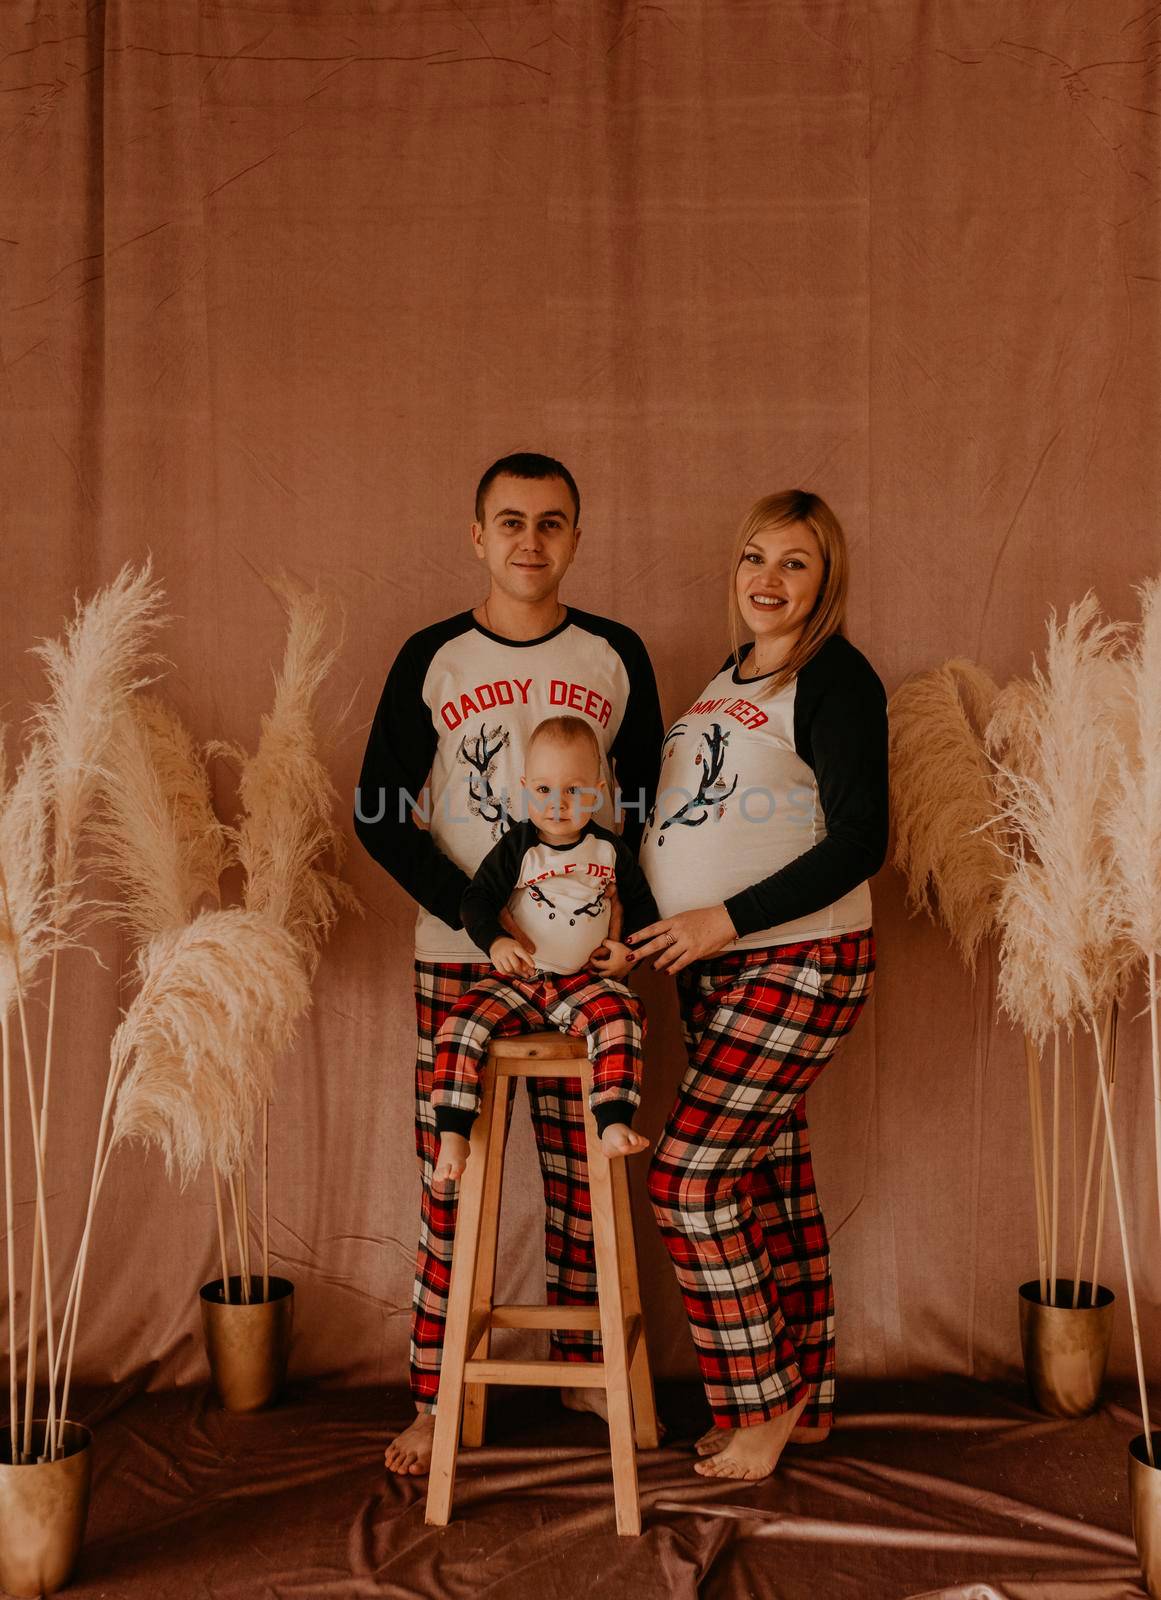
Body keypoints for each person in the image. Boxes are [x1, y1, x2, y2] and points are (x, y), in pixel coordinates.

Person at [354, 452, 663, 1476]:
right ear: (476, 535)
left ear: (578, 536)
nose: (531, 539)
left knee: (587, 1169)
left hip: (588, 963)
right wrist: (473, 916)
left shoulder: (614, 655)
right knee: (454, 1176)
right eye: (510, 521)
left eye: (553, 521)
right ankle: (437, 1400)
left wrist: (639, 922)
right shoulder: (432, 658)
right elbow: (377, 811)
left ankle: (586, 1367)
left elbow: (659, 812)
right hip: (463, 958)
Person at [630, 489, 887, 1483]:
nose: (767, 580)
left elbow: (863, 840)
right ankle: (808, 1399)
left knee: (689, 1180)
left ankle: (764, 1402)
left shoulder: (836, 680)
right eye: (753, 557)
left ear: (826, 581)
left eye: (794, 562)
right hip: (718, 969)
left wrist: (720, 918)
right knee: (766, 1178)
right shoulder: (721, 681)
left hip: (800, 958)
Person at [431, 713, 657, 1184]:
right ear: (524, 787)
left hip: (584, 982)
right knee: (460, 1023)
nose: (557, 805)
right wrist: (496, 941)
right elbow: (476, 901)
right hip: (520, 977)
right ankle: (452, 1129)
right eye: (544, 790)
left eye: (573, 791)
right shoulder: (519, 848)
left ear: (597, 791)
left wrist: (626, 954)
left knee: (622, 1017)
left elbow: (642, 910)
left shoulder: (610, 852)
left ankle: (613, 1119)